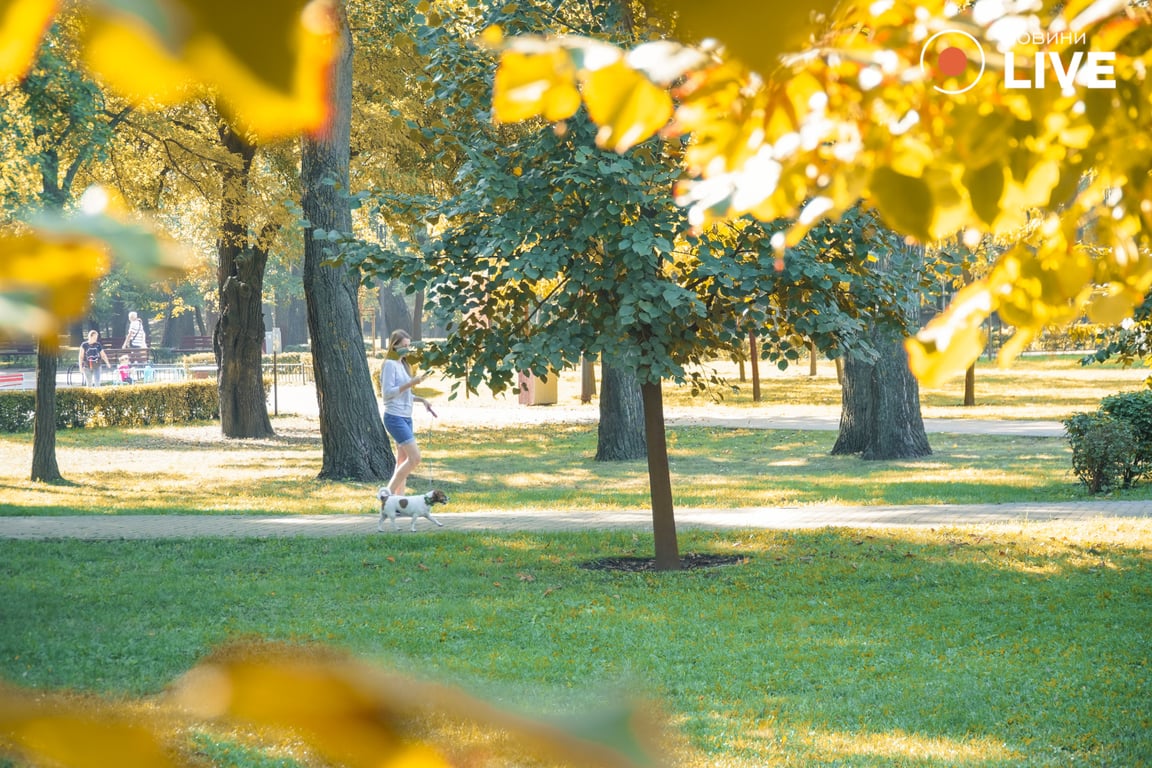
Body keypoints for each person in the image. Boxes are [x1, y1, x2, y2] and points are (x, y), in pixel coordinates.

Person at [381, 330, 437, 495]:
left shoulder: (403, 365)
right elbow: (388, 393)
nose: (407, 349)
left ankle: (399, 501)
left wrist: (422, 400)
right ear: (394, 346)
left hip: (406, 416)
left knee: (403, 461)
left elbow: (405, 394)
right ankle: (386, 495)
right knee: (415, 458)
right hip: (394, 417)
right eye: (404, 346)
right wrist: (411, 382)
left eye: (408, 346)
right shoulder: (390, 365)